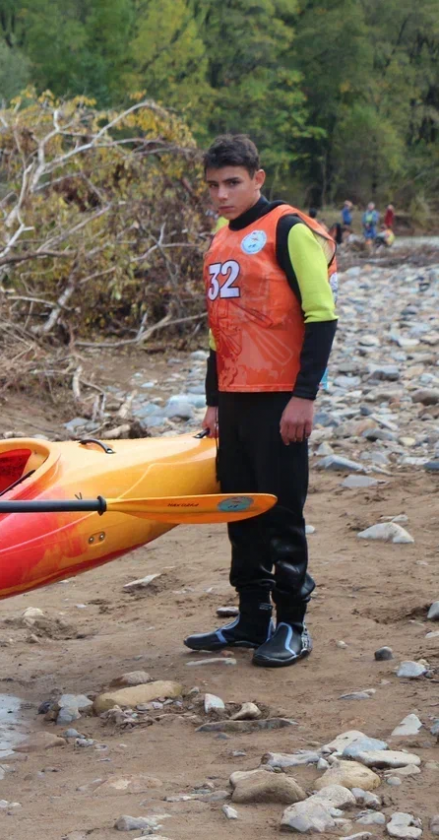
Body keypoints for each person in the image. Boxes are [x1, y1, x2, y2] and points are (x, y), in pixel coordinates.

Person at [187, 135, 337, 668]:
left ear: (258, 178)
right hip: (235, 399)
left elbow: (322, 315)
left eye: (232, 183)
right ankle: (252, 619)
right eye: (213, 186)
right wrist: (213, 403)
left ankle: (293, 624)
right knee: (240, 510)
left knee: (281, 511)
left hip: (280, 398)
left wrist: (304, 397)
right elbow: (216, 332)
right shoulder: (218, 240)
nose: (222, 195)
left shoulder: (289, 230)